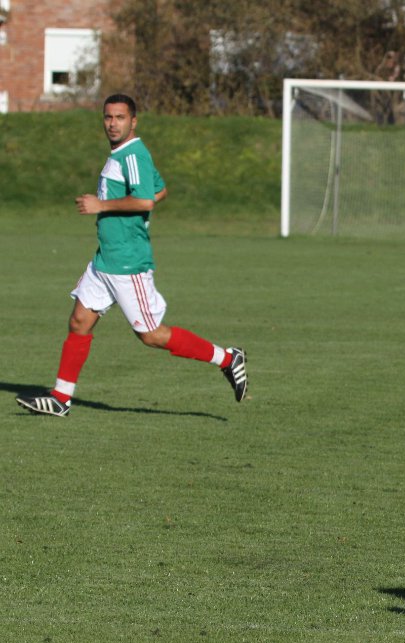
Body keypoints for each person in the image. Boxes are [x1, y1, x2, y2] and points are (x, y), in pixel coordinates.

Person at [16, 94, 247, 417]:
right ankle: (60, 397)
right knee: (80, 322)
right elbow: (159, 190)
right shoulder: (123, 154)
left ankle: (227, 358)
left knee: (151, 335)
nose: (113, 123)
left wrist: (101, 206)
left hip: (127, 262)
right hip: (105, 259)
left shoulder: (133, 154)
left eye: (120, 118)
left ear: (133, 121)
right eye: (108, 117)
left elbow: (146, 202)